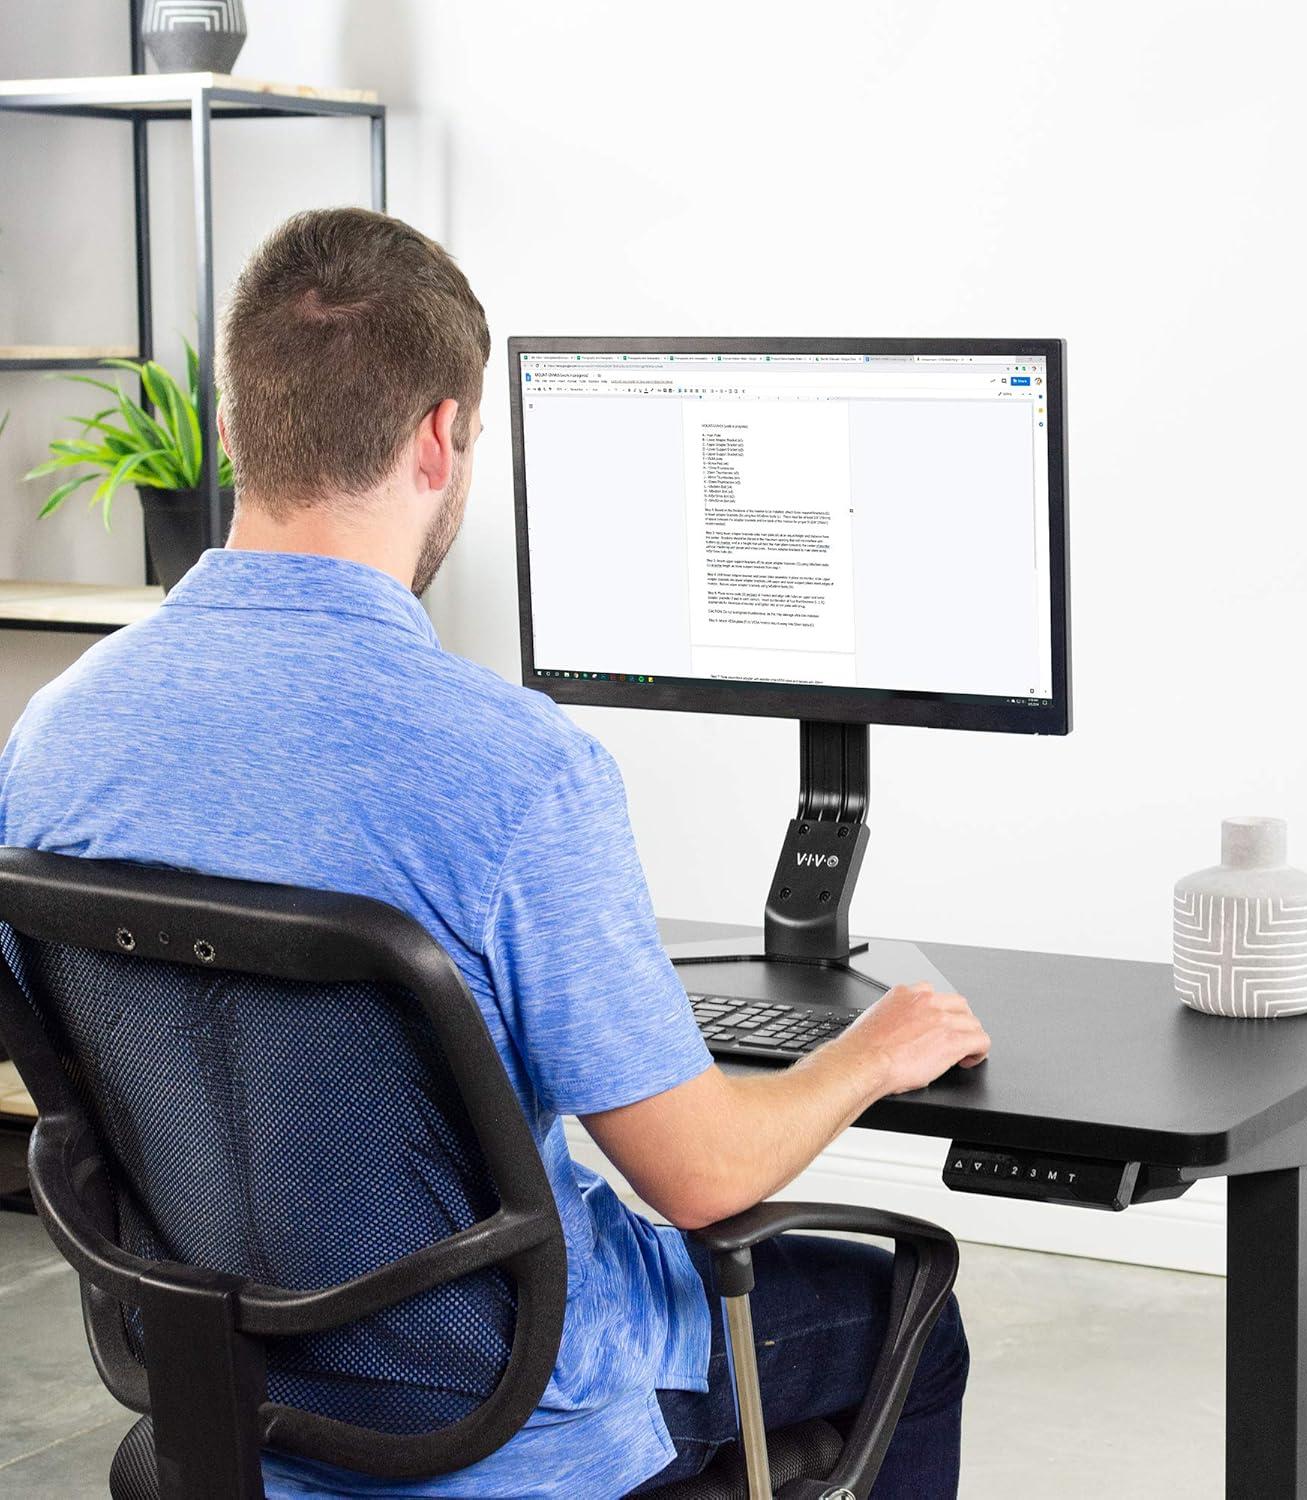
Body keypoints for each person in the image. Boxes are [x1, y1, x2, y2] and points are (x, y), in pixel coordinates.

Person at [0, 208, 990, 1499]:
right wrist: (876, 1049)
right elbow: (700, 1179)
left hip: (230, 1404)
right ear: (439, 440)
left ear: (235, 428)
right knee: (916, 1322)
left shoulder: (53, 741)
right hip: (521, 1417)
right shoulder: (516, 772)